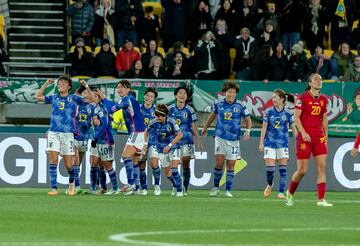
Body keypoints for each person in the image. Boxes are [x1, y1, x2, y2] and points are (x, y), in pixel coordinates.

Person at [35, 76, 93, 196]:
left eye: (63, 83)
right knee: (53, 159)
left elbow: (91, 100)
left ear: (69, 87)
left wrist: (86, 86)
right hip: (54, 133)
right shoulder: (54, 97)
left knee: (68, 165)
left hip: (68, 134)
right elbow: (38, 96)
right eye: (59, 83)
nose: (60, 85)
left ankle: (72, 184)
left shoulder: (74, 98)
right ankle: (54, 188)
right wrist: (46, 83)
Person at [285, 73, 333, 207]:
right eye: (316, 79)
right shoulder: (302, 98)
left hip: (319, 137)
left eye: (320, 79)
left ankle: (321, 200)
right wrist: (303, 132)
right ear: (310, 83)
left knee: (322, 167)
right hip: (304, 137)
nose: (319, 81)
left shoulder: (324, 99)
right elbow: (296, 117)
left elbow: (324, 119)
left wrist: (326, 135)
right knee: (302, 170)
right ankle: (290, 192)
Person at [202, 81, 251, 197]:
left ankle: (228, 190)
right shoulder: (218, 103)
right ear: (225, 92)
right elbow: (212, 116)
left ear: (236, 94)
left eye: (233, 92)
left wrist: (247, 131)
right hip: (220, 137)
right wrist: (205, 128)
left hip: (234, 140)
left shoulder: (241, 106)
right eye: (229, 92)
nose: (231, 94)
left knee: (230, 165)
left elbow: (248, 120)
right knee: (219, 162)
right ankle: (215, 187)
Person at [101, 80, 146, 195]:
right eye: (117, 87)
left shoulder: (128, 99)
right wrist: (105, 100)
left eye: (121, 87)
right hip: (138, 132)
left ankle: (131, 184)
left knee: (125, 156)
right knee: (134, 160)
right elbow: (113, 106)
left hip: (137, 131)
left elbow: (112, 109)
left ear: (128, 89)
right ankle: (137, 188)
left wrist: (104, 100)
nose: (119, 89)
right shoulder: (126, 100)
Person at [259, 89, 297, 199]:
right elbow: (264, 128)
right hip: (270, 144)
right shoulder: (268, 112)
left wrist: (299, 141)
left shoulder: (289, 114)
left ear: (282, 100)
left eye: (276, 97)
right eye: (273, 97)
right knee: (270, 170)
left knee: (283, 170)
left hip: (283, 145)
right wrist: (261, 143)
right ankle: (270, 184)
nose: (273, 99)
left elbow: (294, 130)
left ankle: (281, 192)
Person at [143, 104, 184, 197]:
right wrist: (145, 144)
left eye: (159, 116)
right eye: (156, 115)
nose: (157, 117)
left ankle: (179, 191)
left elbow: (180, 134)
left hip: (173, 147)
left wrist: (169, 145)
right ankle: (175, 184)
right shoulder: (153, 122)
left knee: (174, 169)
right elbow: (146, 132)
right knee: (168, 174)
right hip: (161, 149)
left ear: (164, 115)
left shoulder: (172, 121)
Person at [168, 86, 203, 195]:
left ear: (187, 97)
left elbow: (193, 125)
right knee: (173, 164)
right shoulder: (170, 109)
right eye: (180, 93)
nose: (182, 95)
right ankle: (175, 185)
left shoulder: (190, 109)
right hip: (174, 141)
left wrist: (198, 139)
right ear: (175, 95)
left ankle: (185, 188)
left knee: (186, 164)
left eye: (184, 93)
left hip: (187, 140)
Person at [89, 89, 119, 194]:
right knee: (94, 163)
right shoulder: (92, 108)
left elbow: (105, 125)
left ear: (99, 98)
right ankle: (94, 188)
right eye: (91, 96)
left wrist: (96, 137)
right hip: (96, 141)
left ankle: (115, 188)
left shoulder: (102, 108)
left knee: (107, 165)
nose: (93, 98)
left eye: (95, 96)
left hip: (106, 140)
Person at [73, 85, 95, 193]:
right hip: (74, 137)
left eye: (89, 93)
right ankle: (75, 187)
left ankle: (71, 185)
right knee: (75, 162)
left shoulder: (92, 107)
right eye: (85, 93)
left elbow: (95, 121)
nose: (87, 95)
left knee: (78, 164)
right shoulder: (75, 105)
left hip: (85, 138)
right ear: (80, 95)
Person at [138, 88, 159, 195]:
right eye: (147, 95)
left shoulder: (156, 111)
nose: (149, 98)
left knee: (154, 163)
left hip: (153, 141)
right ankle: (144, 188)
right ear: (144, 96)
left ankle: (157, 186)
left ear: (154, 99)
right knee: (141, 164)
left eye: (151, 97)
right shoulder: (138, 108)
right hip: (140, 140)